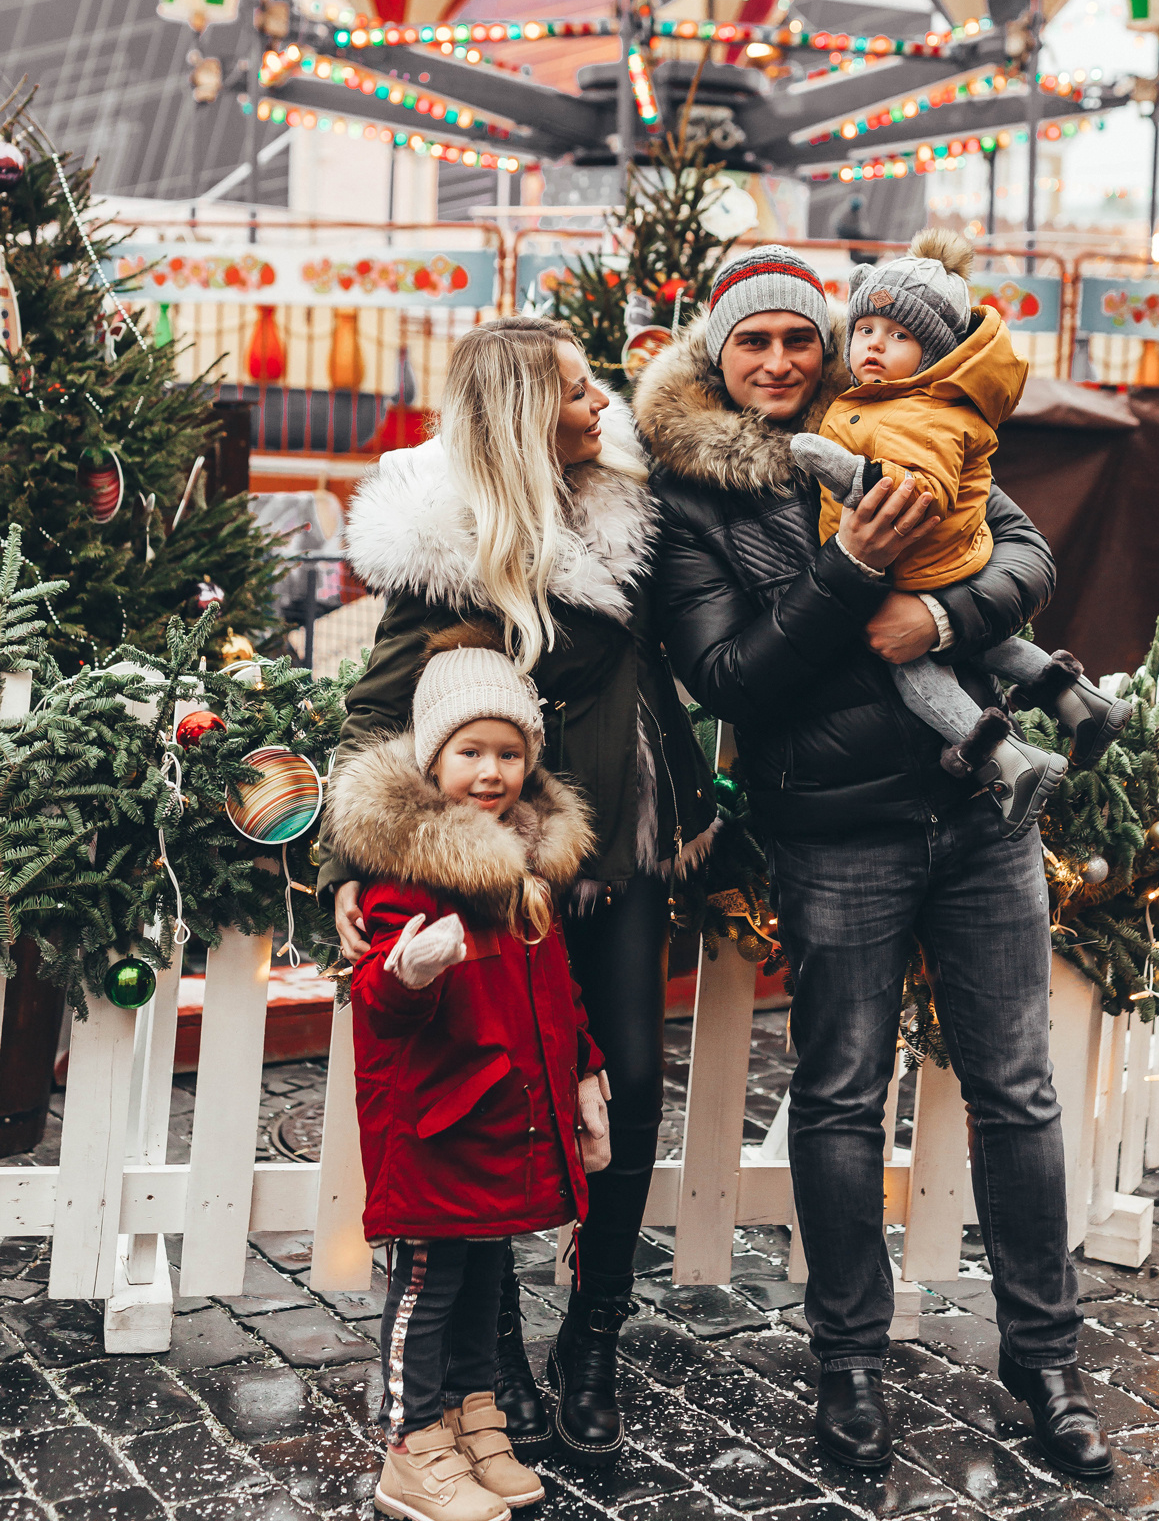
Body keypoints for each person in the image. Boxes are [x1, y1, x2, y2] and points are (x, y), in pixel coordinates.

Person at [632, 244, 1112, 1482]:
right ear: (720, 356)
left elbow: (1025, 555)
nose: (782, 362)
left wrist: (946, 617)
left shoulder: (906, 422)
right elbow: (725, 676)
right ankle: (847, 1360)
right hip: (835, 831)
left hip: (976, 817)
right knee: (841, 1094)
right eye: (755, 343)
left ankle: (1043, 1357)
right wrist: (847, 575)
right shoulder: (693, 493)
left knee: (1017, 1090)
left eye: (801, 338)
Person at [316, 315, 717, 1463]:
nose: (606, 406)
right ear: (523, 420)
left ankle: (591, 1335)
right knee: (499, 1094)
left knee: (628, 1084)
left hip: (629, 843)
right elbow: (377, 711)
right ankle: (491, 1359)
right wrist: (357, 856)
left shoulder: (632, 503)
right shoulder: (455, 544)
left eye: (598, 386)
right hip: (522, 865)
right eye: (581, 394)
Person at [325, 639, 608, 1520]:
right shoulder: (407, 877)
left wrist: (586, 1071)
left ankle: (472, 1414)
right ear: (432, 758)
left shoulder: (525, 872)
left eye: (510, 754)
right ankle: (411, 1447)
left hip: (503, 1122)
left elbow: (556, 992)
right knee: (427, 1287)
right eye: (470, 753)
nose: (492, 772)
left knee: (487, 1277)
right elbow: (379, 1001)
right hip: (435, 1127)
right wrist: (407, 973)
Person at [791, 230, 1131, 835]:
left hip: (917, 563)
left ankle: (1007, 758)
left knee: (915, 667)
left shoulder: (921, 410)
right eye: (866, 331)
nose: (875, 346)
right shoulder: (893, 399)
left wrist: (843, 471)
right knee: (972, 639)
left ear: (934, 354)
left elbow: (915, 489)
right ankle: (1080, 699)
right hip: (943, 565)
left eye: (900, 337)